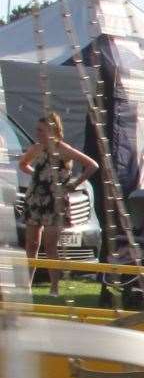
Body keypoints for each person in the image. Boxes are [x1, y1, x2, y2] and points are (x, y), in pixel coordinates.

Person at [17, 111, 98, 289]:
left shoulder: (63, 149)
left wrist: (75, 183)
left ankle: (54, 285)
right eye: (37, 130)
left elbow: (92, 165)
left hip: (55, 201)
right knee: (32, 244)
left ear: (52, 131)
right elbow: (23, 164)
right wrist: (37, 176)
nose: (38, 134)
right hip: (35, 198)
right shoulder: (37, 148)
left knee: (50, 244)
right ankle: (27, 284)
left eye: (41, 130)